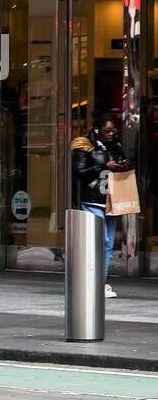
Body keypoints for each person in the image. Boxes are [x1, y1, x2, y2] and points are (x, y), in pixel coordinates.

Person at [72, 115, 133, 299]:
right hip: (92, 198)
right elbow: (79, 172)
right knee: (100, 241)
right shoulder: (84, 147)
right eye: (108, 130)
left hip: (111, 199)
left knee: (107, 243)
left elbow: (123, 162)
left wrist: (123, 165)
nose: (112, 134)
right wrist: (102, 166)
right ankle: (93, 281)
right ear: (97, 130)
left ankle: (102, 282)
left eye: (114, 130)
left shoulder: (117, 146)